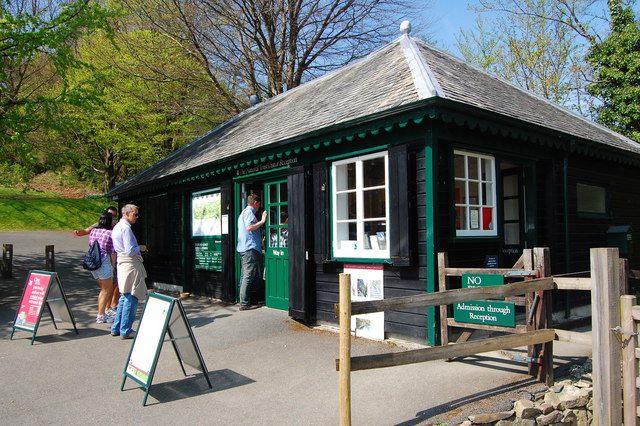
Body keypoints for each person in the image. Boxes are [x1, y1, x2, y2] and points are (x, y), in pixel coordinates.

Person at [73, 206, 120, 315]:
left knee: (113, 286)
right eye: (110, 215)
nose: (112, 217)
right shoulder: (104, 229)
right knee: (107, 288)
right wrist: (78, 232)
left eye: (114, 215)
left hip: (97, 261)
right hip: (106, 261)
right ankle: (104, 312)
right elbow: (86, 231)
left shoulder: (113, 227)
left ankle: (111, 307)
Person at [110, 204, 148, 339]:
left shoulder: (117, 227)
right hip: (130, 264)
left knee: (124, 295)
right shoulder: (126, 228)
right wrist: (141, 247)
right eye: (135, 214)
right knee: (132, 295)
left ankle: (116, 327)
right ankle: (125, 330)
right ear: (126, 213)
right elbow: (130, 250)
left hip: (122, 264)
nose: (137, 217)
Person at [236, 194, 267, 310]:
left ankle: (246, 301)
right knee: (248, 276)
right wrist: (262, 221)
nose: (259, 207)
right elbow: (249, 227)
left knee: (245, 275)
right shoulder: (249, 212)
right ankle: (244, 303)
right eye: (259, 204)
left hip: (245, 248)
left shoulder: (243, 213)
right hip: (250, 249)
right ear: (256, 203)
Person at [88, 212, 117, 324]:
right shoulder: (111, 233)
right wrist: (113, 265)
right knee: (106, 290)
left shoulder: (93, 231)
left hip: (93, 262)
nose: (114, 221)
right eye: (113, 219)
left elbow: (91, 245)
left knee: (103, 290)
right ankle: (101, 315)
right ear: (109, 221)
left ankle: (103, 312)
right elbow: (113, 252)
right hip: (104, 262)